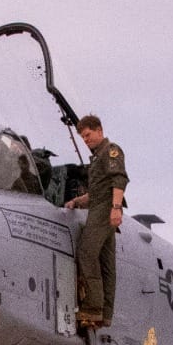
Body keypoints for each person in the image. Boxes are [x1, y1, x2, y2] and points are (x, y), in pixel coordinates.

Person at [63, 114, 129, 327]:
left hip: (105, 211)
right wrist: (77, 201)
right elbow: (96, 192)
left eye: (88, 135)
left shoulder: (111, 151)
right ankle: (105, 314)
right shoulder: (98, 158)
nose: (85, 140)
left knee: (86, 253)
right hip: (100, 209)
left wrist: (116, 208)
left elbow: (119, 179)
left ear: (99, 130)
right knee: (107, 264)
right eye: (82, 137)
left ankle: (92, 309)